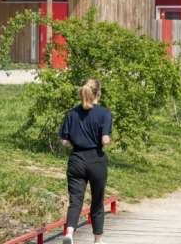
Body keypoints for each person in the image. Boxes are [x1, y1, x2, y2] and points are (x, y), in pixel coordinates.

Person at [59, 79, 112, 244]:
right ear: (99, 93)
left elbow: (64, 141)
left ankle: (69, 233)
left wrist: (76, 142)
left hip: (76, 160)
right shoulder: (104, 113)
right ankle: (98, 240)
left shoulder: (72, 113)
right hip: (96, 160)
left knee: (75, 200)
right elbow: (105, 140)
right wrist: (107, 138)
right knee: (97, 201)